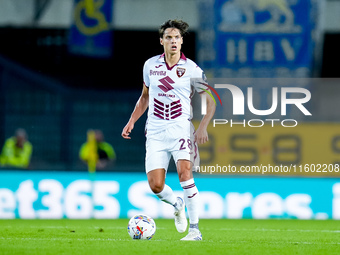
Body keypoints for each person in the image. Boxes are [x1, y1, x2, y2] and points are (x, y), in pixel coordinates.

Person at [122, 19, 215, 241]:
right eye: (169, 37)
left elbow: (210, 102)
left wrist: (202, 127)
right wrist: (132, 120)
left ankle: (195, 230)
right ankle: (177, 203)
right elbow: (144, 97)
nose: (173, 41)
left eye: (177, 38)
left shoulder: (192, 69)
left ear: (182, 41)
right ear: (161, 41)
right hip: (155, 130)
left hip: (180, 128)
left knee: (185, 175)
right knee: (156, 185)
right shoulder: (150, 66)